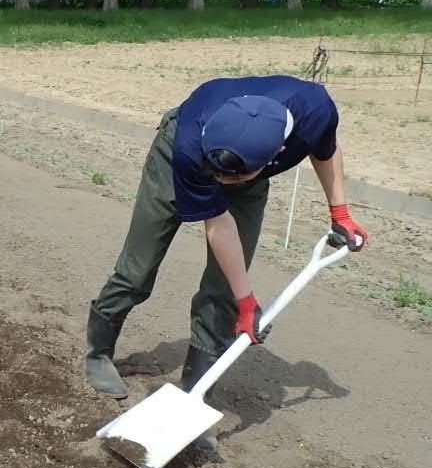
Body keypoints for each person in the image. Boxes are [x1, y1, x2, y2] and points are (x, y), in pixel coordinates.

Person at [84, 75, 369, 447]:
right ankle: (99, 353)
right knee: (138, 268)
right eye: (217, 175)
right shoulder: (191, 148)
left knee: (222, 292)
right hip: (182, 160)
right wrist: (247, 301)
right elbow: (217, 224)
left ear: (279, 151)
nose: (221, 181)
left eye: (230, 177)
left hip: (249, 174)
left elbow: (325, 148)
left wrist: (340, 212)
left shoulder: (315, 108)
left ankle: (195, 395)